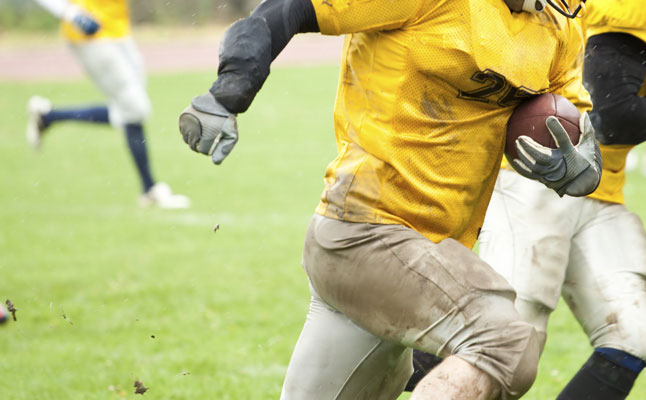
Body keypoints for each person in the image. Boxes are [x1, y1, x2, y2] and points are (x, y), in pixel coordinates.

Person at [176, 0, 601, 398]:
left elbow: (577, 129)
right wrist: (229, 92)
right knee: (505, 345)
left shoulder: (556, 24)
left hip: (421, 257)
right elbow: (288, 9)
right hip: (365, 231)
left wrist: (579, 167)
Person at [406, 1, 646, 398]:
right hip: (542, 179)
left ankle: (399, 362)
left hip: (600, 189)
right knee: (508, 339)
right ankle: (390, 363)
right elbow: (613, 118)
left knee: (633, 338)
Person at [26, 0, 189, 209]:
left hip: (117, 28)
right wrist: (70, 13)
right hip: (90, 31)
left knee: (129, 110)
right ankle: (150, 189)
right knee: (134, 108)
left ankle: (48, 117)